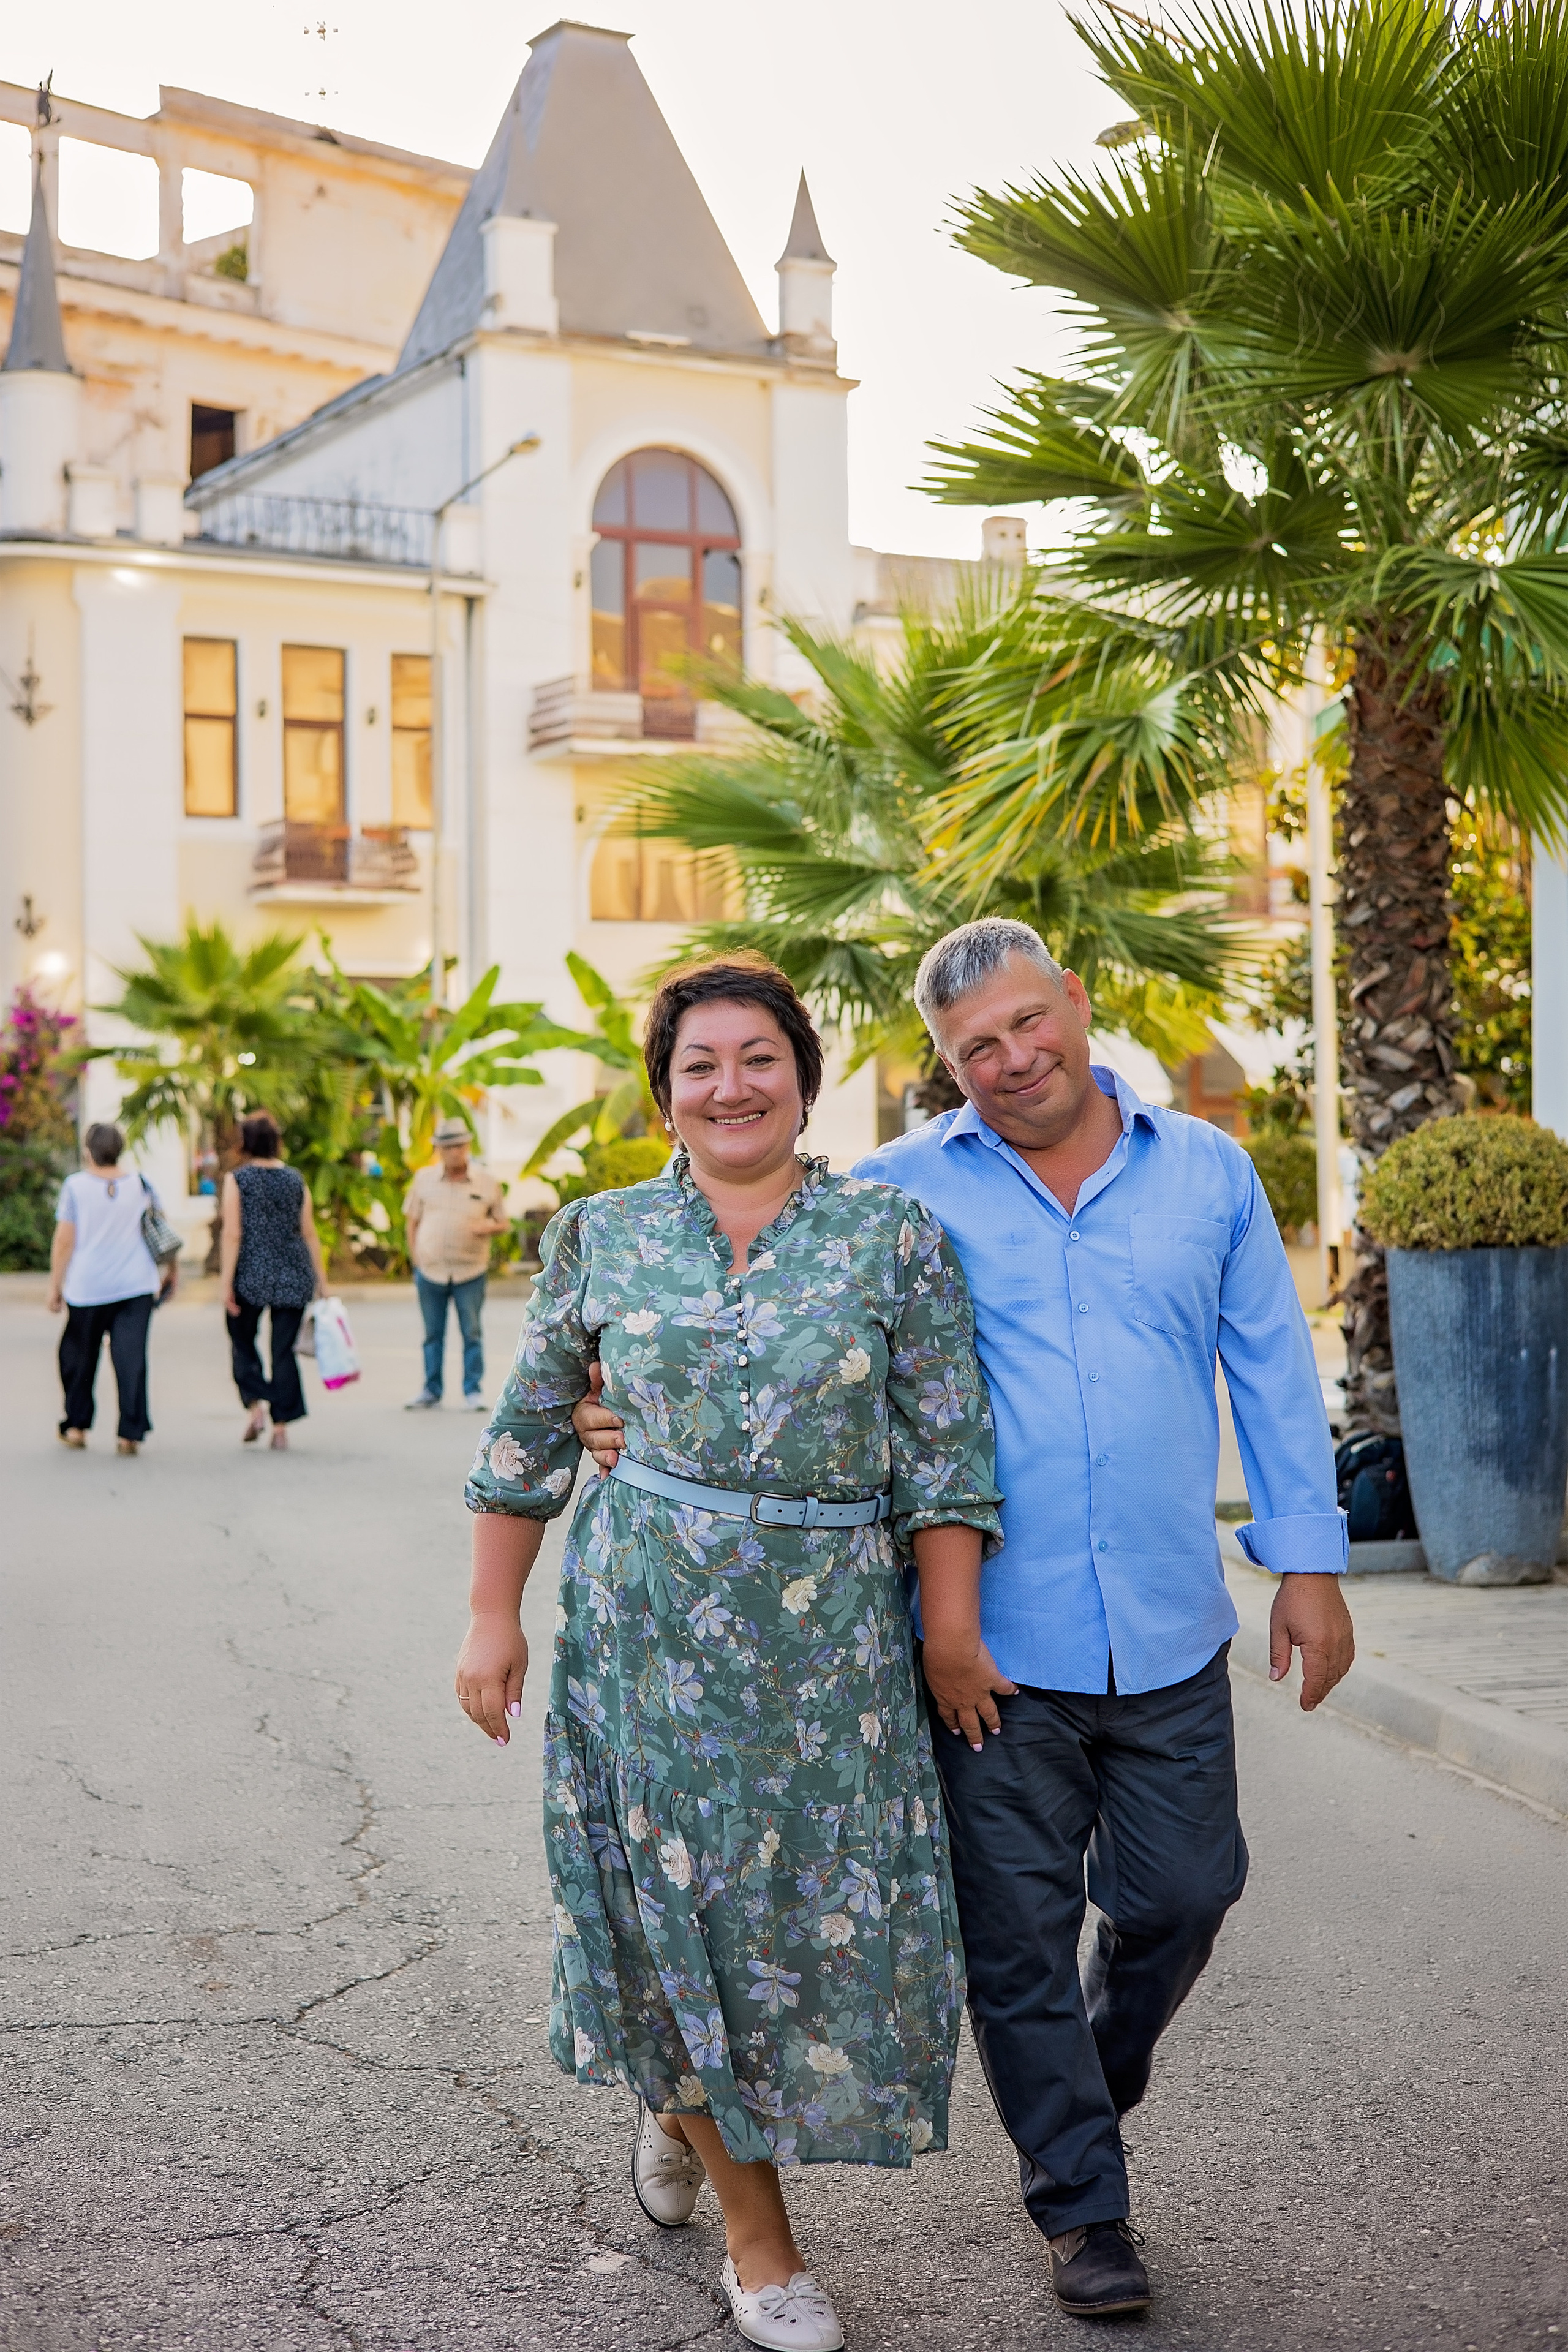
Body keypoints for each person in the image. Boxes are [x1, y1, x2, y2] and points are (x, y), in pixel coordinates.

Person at [575, 917, 1354, 2324]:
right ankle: (1080, 2203)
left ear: (1078, 998)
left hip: (1172, 1626)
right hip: (981, 1649)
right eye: (971, 1048)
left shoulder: (1209, 1174)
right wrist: (615, 1377)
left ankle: (1077, 2085)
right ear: (943, 1068)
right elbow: (722, 1205)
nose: (1008, 1059)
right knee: (1012, 1946)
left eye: (1023, 1023)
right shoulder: (896, 1191)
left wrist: (1303, 1562)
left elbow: (1271, 1370)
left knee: (1185, 1892)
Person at [455, 956, 1002, 2352]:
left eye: (757, 1056)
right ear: (664, 1091)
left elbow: (943, 1454)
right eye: (699, 1062)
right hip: (639, 1645)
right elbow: (526, 1438)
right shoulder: (600, 1234)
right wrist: (491, 1616)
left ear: (802, 1079)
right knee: (658, 1917)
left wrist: (949, 1632)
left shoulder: (891, 1238)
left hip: (832, 1660)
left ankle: (674, 2102)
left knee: (798, 1930)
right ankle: (760, 2241)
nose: (729, 1084)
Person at [48, 1121, 176, 1453]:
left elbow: (64, 1241)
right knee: (131, 1359)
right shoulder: (142, 1183)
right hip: (136, 1286)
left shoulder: (75, 1186)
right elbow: (162, 1230)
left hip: (87, 1287)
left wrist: (55, 1286)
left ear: (88, 1151)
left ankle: (76, 1427)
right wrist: (172, 1271)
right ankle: (129, 1434)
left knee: (78, 1357)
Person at [219, 1112, 325, 1451]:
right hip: (294, 1274)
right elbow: (309, 1232)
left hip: (251, 1273)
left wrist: (225, 1283)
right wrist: (322, 1281)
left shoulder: (238, 1180)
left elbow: (233, 1234)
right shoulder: (296, 1179)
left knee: (242, 1342)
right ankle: (280, 1428)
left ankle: (256, 1406)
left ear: (245, 1143)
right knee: (283, 1352)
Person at [403, 1116, 509, 1411]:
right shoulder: (423, 1179)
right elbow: (412, 1220)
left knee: (472, 1333)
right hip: (431, 1271)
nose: (454, 1152)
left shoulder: (487, 1182)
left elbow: (503, 1222)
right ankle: (431, 1389)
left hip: (470, 1271)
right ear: (438, 1149)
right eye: (447, 1147)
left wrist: (485, 1228)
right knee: (432, 1334)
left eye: (459, 1146)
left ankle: (472, 1389)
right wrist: (416, 1257)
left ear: (468, 1145)